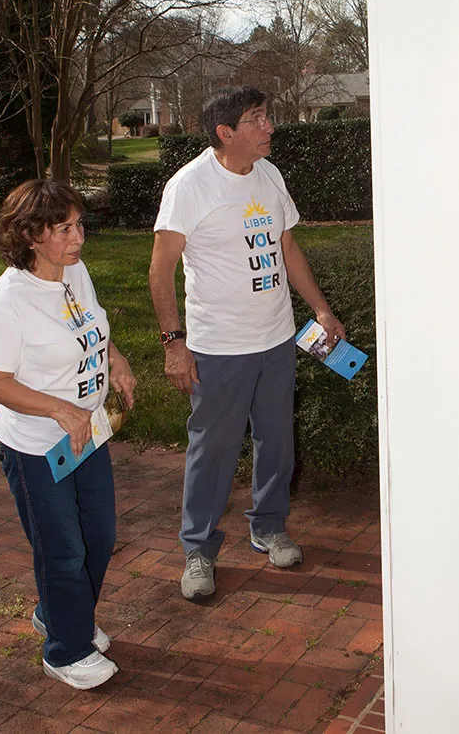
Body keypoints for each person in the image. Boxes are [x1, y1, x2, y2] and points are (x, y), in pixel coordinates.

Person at [149, 85, 345, 601]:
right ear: (225, 132)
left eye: (267, 117)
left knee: (276, 441)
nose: (270, 127)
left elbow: (287, 248)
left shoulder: (269, 175)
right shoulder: (190, 186)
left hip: (277, 340)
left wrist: (320, 309)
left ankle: (269, 525)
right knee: (211, 452)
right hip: (218, 347)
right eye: (258, 119)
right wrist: (174, 342)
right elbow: (160, 269)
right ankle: (198, 549)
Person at [0, 180, 137, 690]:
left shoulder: (75, 273)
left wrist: (117, 359)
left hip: (87, 433)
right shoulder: (8, 301)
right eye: (64, 228)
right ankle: (66, 650)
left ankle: (58, 612)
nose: (79, 237)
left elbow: (92, 327)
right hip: (35, 446)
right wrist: (58, 409)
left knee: (99, 537)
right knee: (61, 549)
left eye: (79, 224)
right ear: (28, 234)